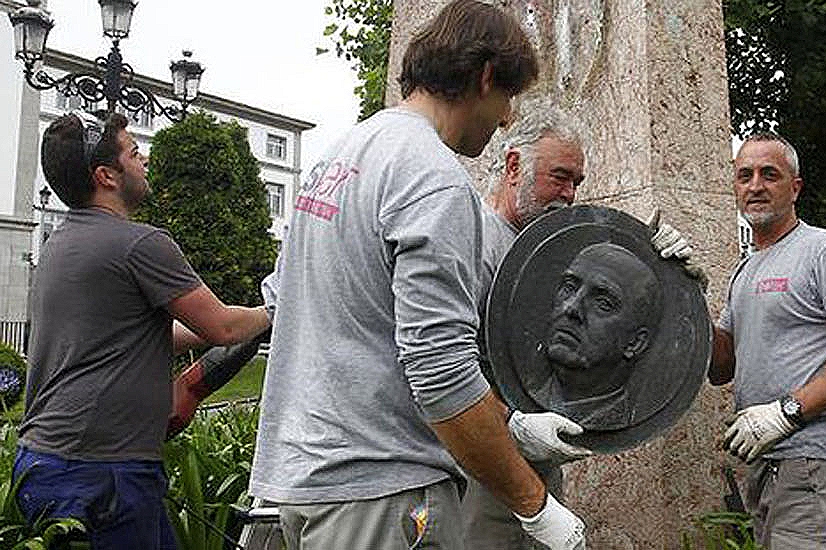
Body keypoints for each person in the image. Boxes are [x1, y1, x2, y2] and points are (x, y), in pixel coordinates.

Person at [248, 2, 585, 549]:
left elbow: (292, 307)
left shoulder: (339, 156)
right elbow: (440, 372)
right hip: (383, 490)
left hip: (305, 481)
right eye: (507, 99)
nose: (504, 120)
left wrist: (515, 426)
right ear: (483, 78)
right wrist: (536, 505)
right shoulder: (434, 177)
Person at [13, 110, 271, 549]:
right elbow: (225, 327)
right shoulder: (140, 244)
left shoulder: (60, 245)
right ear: (106, 176)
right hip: (103, 473)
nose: (145, 159)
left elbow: (134, 333)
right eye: (134, 153)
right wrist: (280, 308)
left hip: (44, 462)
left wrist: (209, 327)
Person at [462, 98, 695, 550]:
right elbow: (442, 363)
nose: (569, 194)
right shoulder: (472, 239)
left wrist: (668, 268)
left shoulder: (550, 243)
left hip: (538, 469)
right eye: (560, 177)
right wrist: (511, 424)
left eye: (577, 182)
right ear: (514, 166)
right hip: (478, 471)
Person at [711, 132, 826, 549]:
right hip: (768, 460)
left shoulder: (824, 251)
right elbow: (721, 367)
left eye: (769, 174)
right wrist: (680, 293)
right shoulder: (745, 270)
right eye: (744, 175)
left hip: (818, 461)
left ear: (795, 188)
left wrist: (787, 413)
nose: (755, 185)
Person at [536, 242, 660, 430]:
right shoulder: (530, 393)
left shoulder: (626, 421)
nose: (571, 307)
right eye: (569, 287)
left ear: (635, 343)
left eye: (602, 303)